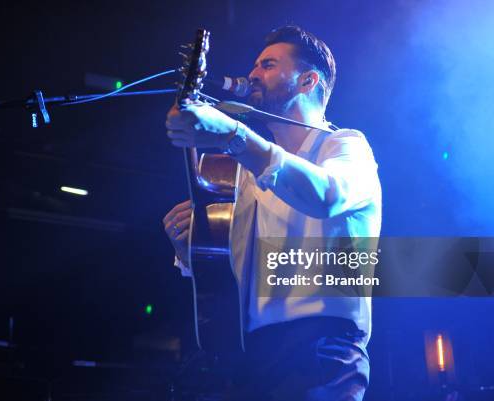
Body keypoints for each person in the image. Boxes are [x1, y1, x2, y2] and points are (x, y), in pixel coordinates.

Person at [163, 25, 381, 401]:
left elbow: (327, 195)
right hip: (255, 353)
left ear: (307, 80)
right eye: (256, 65)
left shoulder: (346, 145)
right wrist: (190, 248)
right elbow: (230, 268)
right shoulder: (245, 171)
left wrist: (235, 136)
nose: (252, 75)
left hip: (322, 348)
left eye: (268, 65)